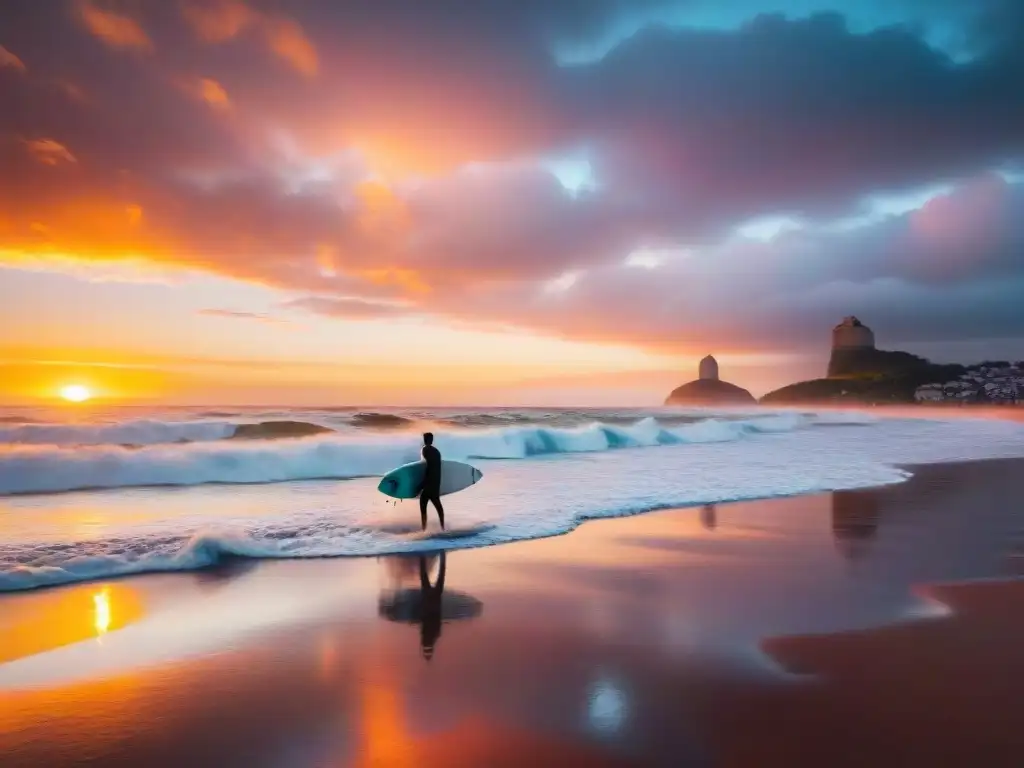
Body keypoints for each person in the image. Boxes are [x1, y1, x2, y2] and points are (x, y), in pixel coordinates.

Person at [418, 432, 445, 531]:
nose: (424, 440)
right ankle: (443, 527)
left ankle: (424, 529)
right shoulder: (437, 451)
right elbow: (437, 468)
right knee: (438, 507)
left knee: (423, 504)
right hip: (436, 483)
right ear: (432, 440)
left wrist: (422, 484)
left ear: (426, 440)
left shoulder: (425, 449)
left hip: (429, 483)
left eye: (425, 438)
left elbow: (428, 468)